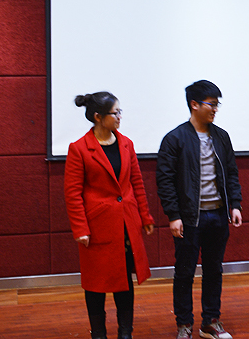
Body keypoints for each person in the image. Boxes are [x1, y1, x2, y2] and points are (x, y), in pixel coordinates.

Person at [156, 80, 243, 339]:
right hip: (189, 218)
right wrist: (173, 215)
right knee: (184, 272)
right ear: (194, 104)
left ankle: (210, 322)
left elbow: (231, 173)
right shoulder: (175, 139)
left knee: (214, 270)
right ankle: (184, 325)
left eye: (217, 104)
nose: (215, 109)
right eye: (211, 104)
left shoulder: (221, 136)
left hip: (218, 214)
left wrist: (235, 204)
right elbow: (165, 181)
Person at [64, 91, 155, 339]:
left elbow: (136, 182)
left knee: (124, 279)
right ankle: (99, 334)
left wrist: (145, 217)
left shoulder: (126, 144)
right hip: (97, 228)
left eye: (119, 112)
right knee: (96, 284)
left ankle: (126, 333)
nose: (119, 117)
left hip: (126, 223)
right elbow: (73, 194)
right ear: (98, 116)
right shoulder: (79, 149)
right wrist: (80, 229)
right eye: (115, 113)